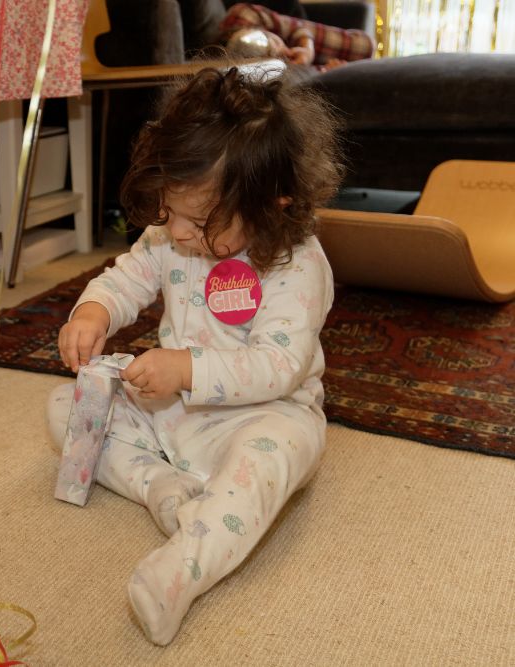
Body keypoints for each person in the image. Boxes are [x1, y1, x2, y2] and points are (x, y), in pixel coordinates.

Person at [46, 66, 342, 645]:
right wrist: (93, 313)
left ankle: (182, 571)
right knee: (65, 407)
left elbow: (278, 367)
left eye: (199, 221)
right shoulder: (169, 235)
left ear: (271, 205)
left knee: (271, 461)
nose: (178, 232)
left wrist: (185, 368)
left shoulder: (298, 263)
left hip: (264, 415)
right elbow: (126, 278)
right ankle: (159, 486)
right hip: (171, 411)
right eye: (169, 209)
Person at [220, 2, 374, 70]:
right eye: (280, 57)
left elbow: (298, 29)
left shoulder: (243, 15)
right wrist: (328, 72)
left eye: (276, 44)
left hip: (289, 26)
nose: (287, 51)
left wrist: (307, 47)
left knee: (364, 46)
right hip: (299, 72)